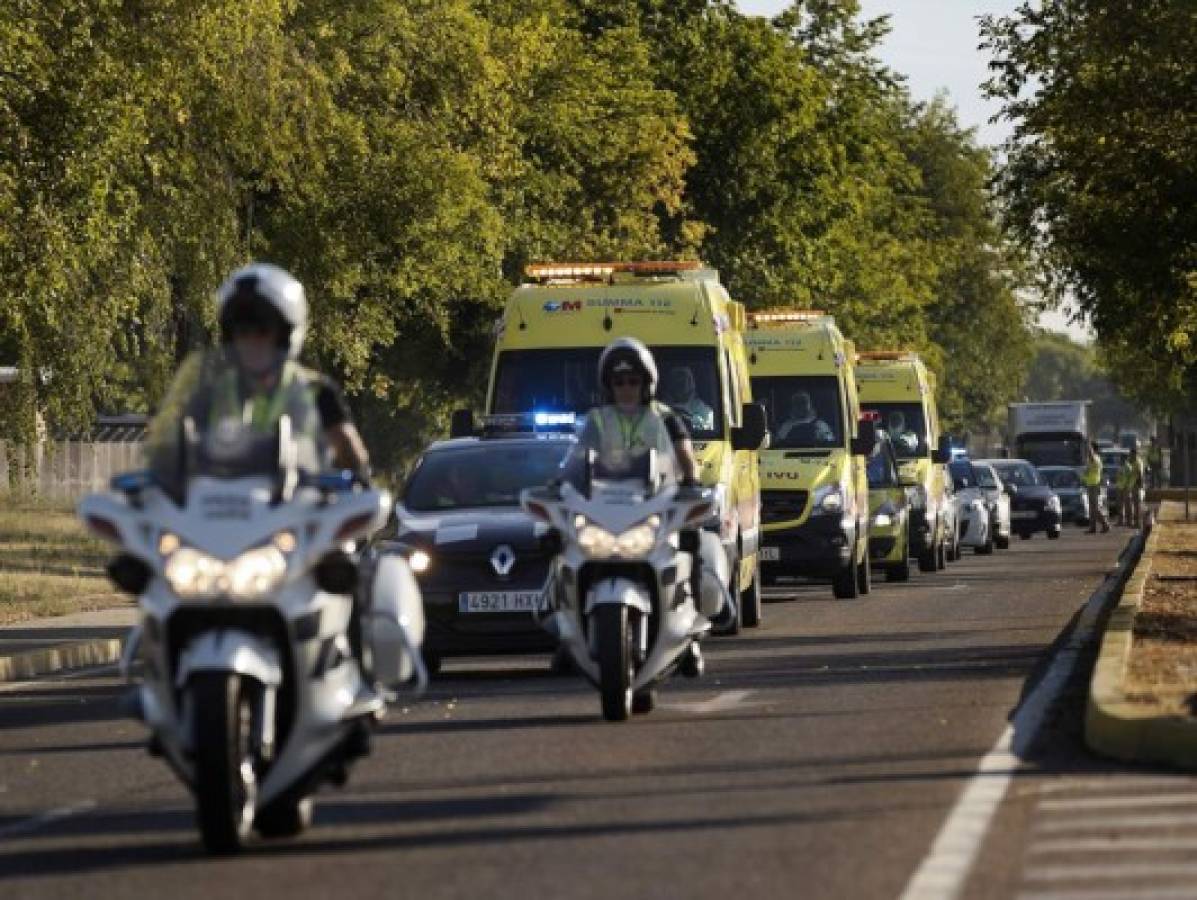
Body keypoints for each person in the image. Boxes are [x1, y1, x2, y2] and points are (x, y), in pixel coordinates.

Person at [575, 338, 699, 483]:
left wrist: (691, 481)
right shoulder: (596, 420)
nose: (626, 389)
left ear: (646, 384)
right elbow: (578, 458)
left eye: (633, 382)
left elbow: (685, 455)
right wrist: (563, 482)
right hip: (606, 498)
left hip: (659, 497)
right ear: (608, 387)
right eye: (618, 383)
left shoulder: (666, 417)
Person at [661, 366, 715, 433]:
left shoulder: (704, 412)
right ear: (669, 383)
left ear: (692, 383)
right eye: (677, 377)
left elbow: (707, 434)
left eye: (684, 378)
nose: (681, 382)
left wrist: (685, 419)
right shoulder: (658, 408)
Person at [1083, 441, 1110, 534]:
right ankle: (1093, 527)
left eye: (1089, 449)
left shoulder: (1094, 458)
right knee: (1092, 508)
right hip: (1091, 483)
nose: (1087, 451)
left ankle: (1105, 524)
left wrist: (1089, 446)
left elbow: (1091, 457)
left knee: (1095, 508)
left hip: (1094, 484)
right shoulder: (1095, 459)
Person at [1120, 447, 1145, 528]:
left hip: (1136, 485)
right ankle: (1131, 522)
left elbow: (1140, 473)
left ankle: (1138, 523)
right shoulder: (1130, 461)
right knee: (1130, 503)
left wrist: (1140, 484)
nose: (1130, 455)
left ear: (1135, 454)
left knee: (1136, 504)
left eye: (1131, 454)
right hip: (1130, 484)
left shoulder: (1138, 462)